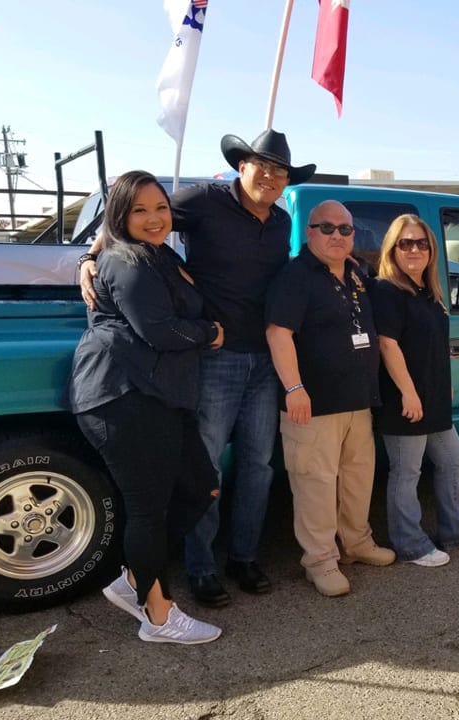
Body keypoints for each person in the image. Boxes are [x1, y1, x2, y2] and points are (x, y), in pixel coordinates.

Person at [81, 129, 316, 607]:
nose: (270, 177)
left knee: (257, 465)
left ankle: (244, 558)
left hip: (266, 359)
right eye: (261, 166)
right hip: (213, 357)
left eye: (280, 171)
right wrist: (90, 256)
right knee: (205, 467)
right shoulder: (203, 201)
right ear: (241, 167)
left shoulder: (282, 221)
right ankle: (201, 566)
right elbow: (136, 215)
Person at [69, 171, 223, 644]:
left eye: (160, 207)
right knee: (148, 510)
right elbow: (160, 331)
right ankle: (158, 616)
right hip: (123, 395)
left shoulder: (158, 254)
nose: (155, 218)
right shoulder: (126, 262)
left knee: (202, 488)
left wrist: (88, 253)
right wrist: (209, 333)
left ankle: (135, 577)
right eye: (140, 210)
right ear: (120, 215)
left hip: (161, 395)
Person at [265, 200, 395, 597]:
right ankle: (320, 561)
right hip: (314, 403)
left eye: (345, 229)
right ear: (309, 232)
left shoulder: (356, 275)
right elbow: (278, 332)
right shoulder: (295, 276)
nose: (337, 235)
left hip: (357, 401)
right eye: (327, 228)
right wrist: (294, 387)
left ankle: (356, 543)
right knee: (315, 485)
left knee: (358, 478)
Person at [371, 214, 459, 566]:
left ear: (431, 249)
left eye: (421, 243)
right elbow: (387, 344)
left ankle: (455, 530)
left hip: (433, 396)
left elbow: (435, 345)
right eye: (405, 242)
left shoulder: (428, 290)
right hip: (405, 398)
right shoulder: (386, 289)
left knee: (452, 457)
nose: (414, 249)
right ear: (393, 248)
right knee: (406, 471)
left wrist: (445, 383)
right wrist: (408, 393)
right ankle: (409, 543)